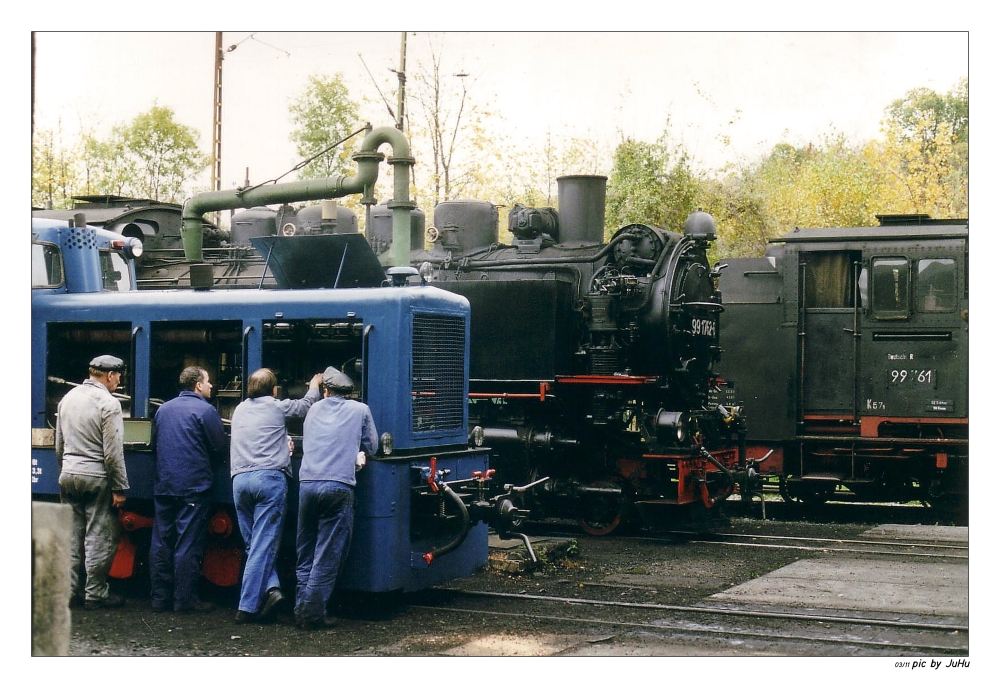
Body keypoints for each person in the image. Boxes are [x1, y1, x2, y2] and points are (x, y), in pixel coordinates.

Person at [230, 368, 323, 624]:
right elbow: (305, 406)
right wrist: (314, 385)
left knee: (254, 544)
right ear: (273, 390)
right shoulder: (276, 407)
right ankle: (246, 607)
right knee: (262, 544)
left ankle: (271, 590)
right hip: (268, 480)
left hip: (240, 481)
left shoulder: (239, 410)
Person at [294, 366, 377, 630]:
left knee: (305, 551)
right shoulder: (360, 410)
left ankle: (300, 608)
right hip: (338, 485)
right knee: (327, 554)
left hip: (307, 484)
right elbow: (372, 446)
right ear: (349, 393)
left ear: (326, 391)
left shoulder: (314, 409)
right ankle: (312, 614)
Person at [149, 366, 228, 613]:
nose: (211, 386)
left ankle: (159, 599)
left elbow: (155, 445)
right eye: (208, 382)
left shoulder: (162, 409)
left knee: (161, 542)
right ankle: (184, 601)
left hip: (165, 485)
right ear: (198, 385)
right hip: (193, 486)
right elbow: (219, 447)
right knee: (188, 543)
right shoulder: (206, 411)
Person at [55, 354, 130, 610]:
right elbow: (112, 452)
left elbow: (59, 444)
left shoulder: (67, 399)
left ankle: (69, 592)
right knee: (99, 535)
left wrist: (65, 470)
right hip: (96, 476)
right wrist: (118, 487)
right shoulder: (108, 403)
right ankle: (95, 593)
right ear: (109, 376)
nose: (119, 381)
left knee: (71, 537)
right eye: (118, 376)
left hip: (68, 474)